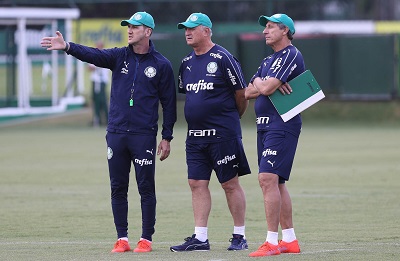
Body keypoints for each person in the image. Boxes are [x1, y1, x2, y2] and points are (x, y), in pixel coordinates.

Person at [40, 11, 177, 253]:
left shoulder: (161, 65)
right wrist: (68, 47)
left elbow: (169, 104)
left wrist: (166, 137)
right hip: (116, 133)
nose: (130, 30)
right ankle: (122, 238)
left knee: (146, 187)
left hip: (143, 135)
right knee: (117, 187)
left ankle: (146, 239)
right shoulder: (118, 57)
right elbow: (94, 54)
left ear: (148, 31)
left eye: (135, 26)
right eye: (128, 26)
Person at [170, 13, 251, 252]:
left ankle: (239, 236)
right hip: (194, 137)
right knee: (196, 183)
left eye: (192, 28)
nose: (187, 32)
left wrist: (229, 121)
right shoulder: (186, 63)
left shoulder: (223, 58)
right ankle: (200, 237)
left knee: (229, 183)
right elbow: (190, 97)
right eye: (185, 28)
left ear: (206, 31)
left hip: (222, 135)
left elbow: (241, 94)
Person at [244, 13, 304, 257]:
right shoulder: (268, 61)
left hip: (282, 124)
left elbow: (265, 88)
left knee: (267, 178)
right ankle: (289, 240)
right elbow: (248, 92)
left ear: (285, 31)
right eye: (265, 27)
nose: (265, 31)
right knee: (277, 182)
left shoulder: (291, 54)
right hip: (264, 125)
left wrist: (264, 83)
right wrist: (262, 81)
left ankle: (271, 242)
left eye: (270, 27)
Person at [88, 41, 109, 127]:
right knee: (95, 101)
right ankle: (97, 120)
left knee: (103, 101)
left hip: (102, 81)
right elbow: (90, 68)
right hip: (95, 81)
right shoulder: (94, 56)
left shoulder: (106, 56)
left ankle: (107, 120)